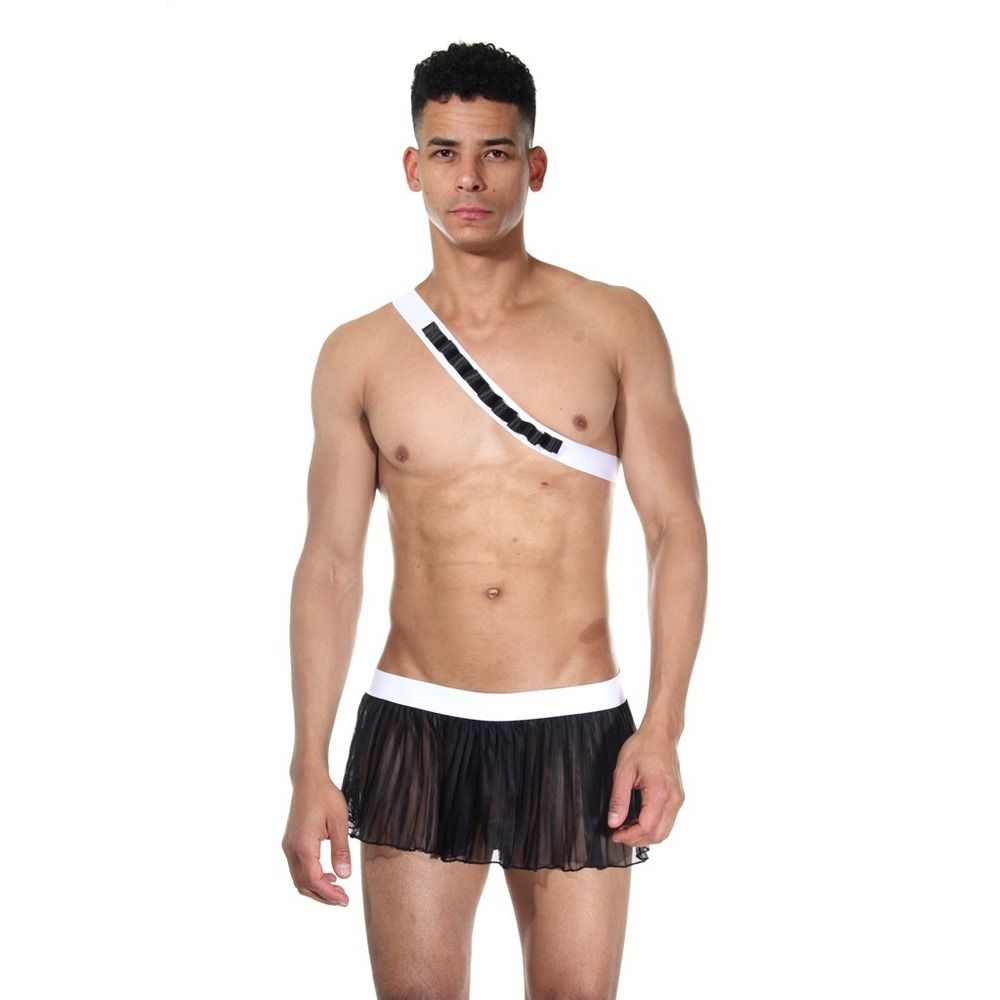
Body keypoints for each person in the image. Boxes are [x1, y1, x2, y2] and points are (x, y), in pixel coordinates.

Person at [282, 40, 707, 999]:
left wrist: (663, 728)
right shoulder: (358, 353)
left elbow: (675, 530)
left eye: (495, 152)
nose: (468, 178)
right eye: (444, 152)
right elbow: (331, 565)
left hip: (576, 724)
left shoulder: (615, 324)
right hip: (417, 722)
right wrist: (308, 763)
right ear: (412, 166)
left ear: (534, 165)